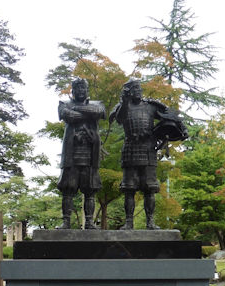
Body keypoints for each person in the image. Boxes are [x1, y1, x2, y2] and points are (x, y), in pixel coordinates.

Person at [109, 79, 187, 230]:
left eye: (139, 88)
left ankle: (150, 221)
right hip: (131, 148)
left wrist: (182, 129)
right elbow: (119, 118)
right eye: (134, 89)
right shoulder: (123, 106)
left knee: (149, 188)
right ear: (129, 92)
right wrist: (124, 100)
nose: (138, 91)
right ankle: (129, 222)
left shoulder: (150, 106)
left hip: (148, 148)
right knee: (129, 188)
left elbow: (170, 115)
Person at [56, 78, 106, 229]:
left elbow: (99, 112)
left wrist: (77, 109)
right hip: (71, 154)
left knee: (90, 190)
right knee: (67, 189)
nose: (80, 91)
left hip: (90, 154)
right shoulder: (64, 104)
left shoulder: (97, 104)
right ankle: (66, 221)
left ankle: (89, 221)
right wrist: (88, 113)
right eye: (77, 88)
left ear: (87, 90)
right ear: (73, 90)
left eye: (83, 88)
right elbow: (68, 116)